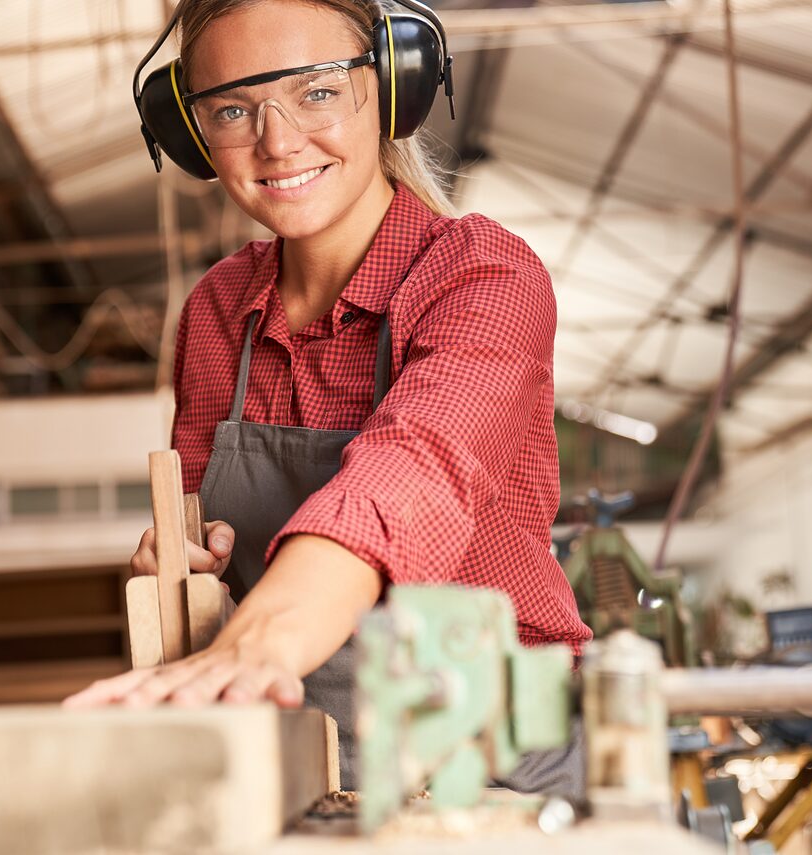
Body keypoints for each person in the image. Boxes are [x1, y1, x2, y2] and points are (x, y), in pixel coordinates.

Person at [64, 0, 591, 793]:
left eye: (317, 91)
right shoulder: (216, 311)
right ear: (191, 134)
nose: (277, 142)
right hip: (308, 765)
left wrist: (265, 634)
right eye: (235, 109)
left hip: (496, 759)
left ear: (390, 89)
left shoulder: (484, 275)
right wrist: (185, 563)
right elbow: (206, 532)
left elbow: (414, 471)